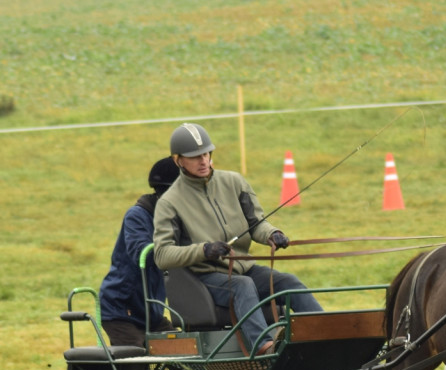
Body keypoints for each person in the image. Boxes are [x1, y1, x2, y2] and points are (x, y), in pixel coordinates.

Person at [153, 122, 322, 355]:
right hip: (205, 278)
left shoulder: (234, 182)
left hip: (245, 269)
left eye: (205, 154)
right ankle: (263, 347)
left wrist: (272, 234)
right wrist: (205, 250)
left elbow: (256, 223)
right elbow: (162, 255)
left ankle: (325, 333)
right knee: (243, 286)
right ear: (178, 160)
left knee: (289, 282)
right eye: (194, 157)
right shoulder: (169, 203)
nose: (203, 161)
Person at [99, 157, 180, 347]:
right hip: (121, 310)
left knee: (184, 356)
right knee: (135, 363)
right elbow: (142, 254)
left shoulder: (174, 219)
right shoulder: (137, 216)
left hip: (151, 311)